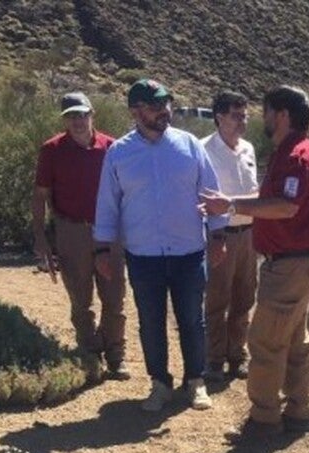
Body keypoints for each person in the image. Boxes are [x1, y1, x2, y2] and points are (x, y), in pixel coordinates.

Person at [94, 79, 228, 412]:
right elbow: (107, 205)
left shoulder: (189, 145)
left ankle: (195, 381)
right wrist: (102, 249)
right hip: (144, 256)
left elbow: (211, 193)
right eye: (155, 106)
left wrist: (218, 237)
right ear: (135, 111)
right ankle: (160, 384)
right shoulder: (119, 153)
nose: (164, 111)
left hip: (189, 252)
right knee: (151, 323)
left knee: (192, 320)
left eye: (166, 104)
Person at [200, 85, 309, 439]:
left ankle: (264, 419)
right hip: (295, 263)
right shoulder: (291, 152)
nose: (261, 118)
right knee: (295, 339)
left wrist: (230, 205)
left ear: (282, 114)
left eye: (267, 111)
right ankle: (300, 411)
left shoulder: (296, 156)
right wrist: (231, 204)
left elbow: (285, 206)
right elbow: (273, 198)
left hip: (288, 266)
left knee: (266, 341)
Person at [31, 91, 129, 380]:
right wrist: (40, 237)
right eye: (71, 116)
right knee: (80, 297)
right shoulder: (52, 150)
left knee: (114, 296)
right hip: (71, 230)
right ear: (65, 120)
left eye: (82, 114)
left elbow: (127, 191)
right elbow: (40, 195)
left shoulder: (112, 147)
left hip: (109, 231)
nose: (77, 121)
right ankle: (89, 353)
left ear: (92, 114)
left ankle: (115, 355)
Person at [201, 91, 259, 383]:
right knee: (217, 297)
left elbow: (254, 191)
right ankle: (214, 358)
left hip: (249, 233)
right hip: (220, 234)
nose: (242, 121)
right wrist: (216, 236)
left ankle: (237, 354)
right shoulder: (204, 150)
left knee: (244, 296)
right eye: (236, 116)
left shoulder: (248, 148)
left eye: (245, 115)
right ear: (219, 117)